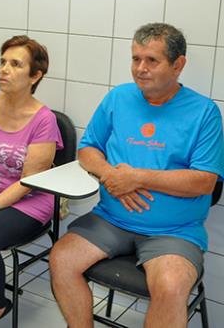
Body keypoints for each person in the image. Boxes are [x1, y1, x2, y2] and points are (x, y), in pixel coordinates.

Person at [49, 23, 224, 328]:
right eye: (135, 59)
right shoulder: (119, 98)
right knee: (61, 260)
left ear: (178, 64)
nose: (140, 69)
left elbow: (204, 181)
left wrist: (139, 178)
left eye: (152, 60)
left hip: (174, 231)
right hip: (110, 219)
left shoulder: (204, 113)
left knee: (170, 288)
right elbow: (89, 149)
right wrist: (109, 175)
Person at [0, 35, 63, 327]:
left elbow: (29, 182)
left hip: (28, 201)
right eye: (2, 62)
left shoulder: (44, 120)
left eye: (15, 64)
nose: (3, 70)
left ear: (36, 76)